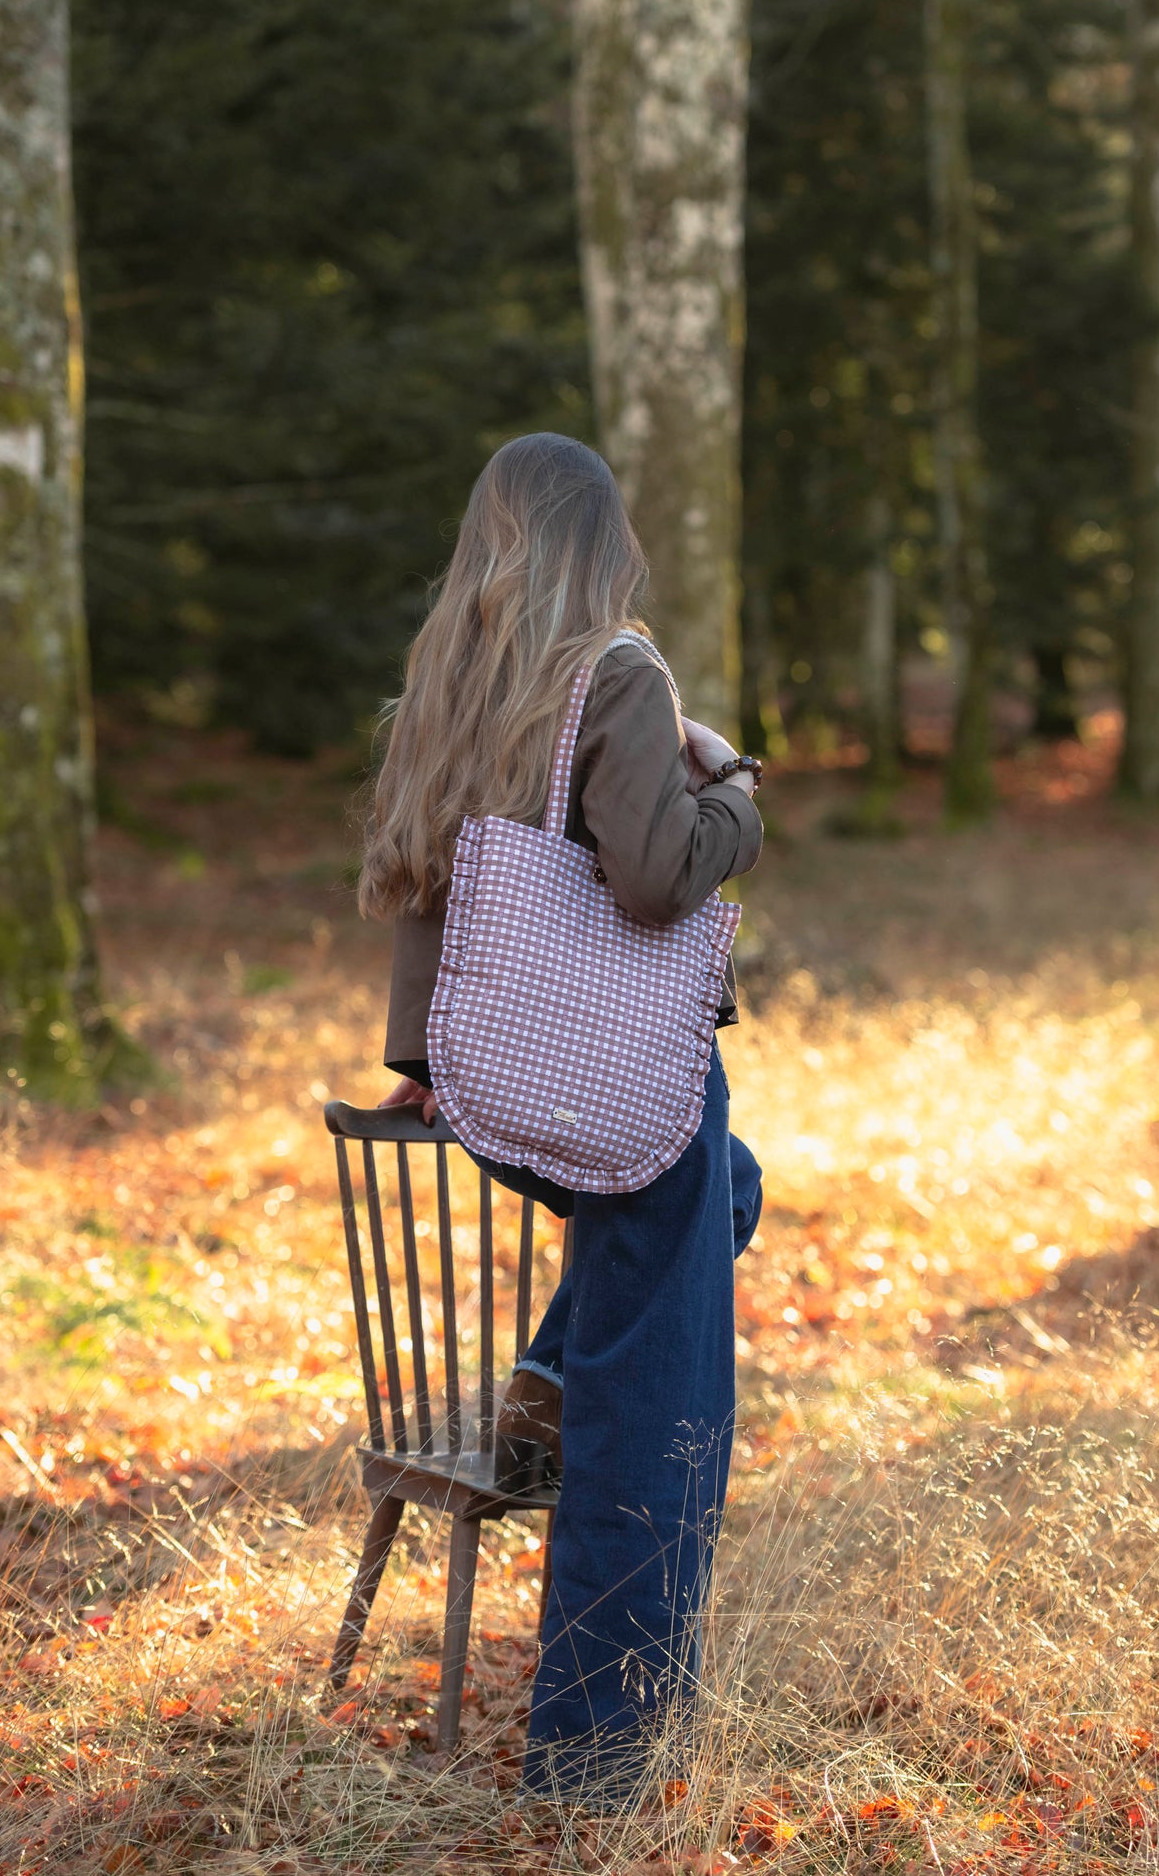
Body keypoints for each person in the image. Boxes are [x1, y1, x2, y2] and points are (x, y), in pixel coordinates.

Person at [357, 432, 764, 1801]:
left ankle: (551, 1368)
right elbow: (654, 881)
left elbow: (428, 884)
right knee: (658, 1411)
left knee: (733, 1191)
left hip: (485, 1076)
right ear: (606, 541)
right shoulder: (621, 672)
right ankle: (594, 1761)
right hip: (616, 1085)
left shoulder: (448, 681)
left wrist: (425, 1060)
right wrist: (732, 800)